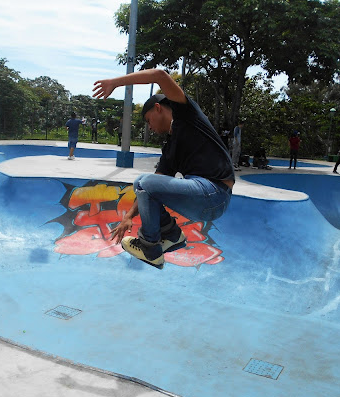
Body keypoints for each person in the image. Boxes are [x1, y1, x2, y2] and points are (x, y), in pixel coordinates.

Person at [93, 69, 235, 269]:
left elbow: (160, 75)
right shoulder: (170, 148)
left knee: (143, 181)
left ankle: (150, 248)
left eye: (148, 121)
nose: (149, 127)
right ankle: (171, 234)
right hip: (203, 202)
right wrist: (127, 217)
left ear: (158, 108)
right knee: (143, 184)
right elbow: (148, 188)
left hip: (214, 192)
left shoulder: (186, 114)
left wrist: (116, 83)